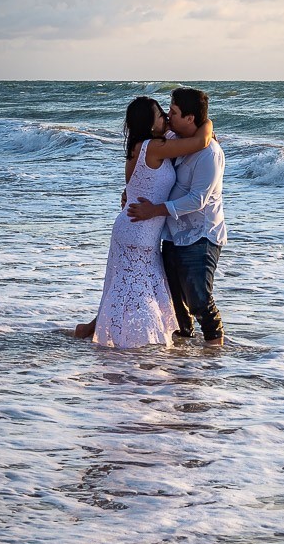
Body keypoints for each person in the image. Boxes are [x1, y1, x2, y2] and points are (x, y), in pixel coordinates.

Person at [74, 96, 213, 348]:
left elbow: (135, 186)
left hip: (134, 228)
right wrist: (208, 121)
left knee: (124, 287)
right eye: (161, 115)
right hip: (138, 232)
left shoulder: (142, 146)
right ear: (149, 124)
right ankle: (137, 349)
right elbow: (200, 141)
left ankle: (96, 332)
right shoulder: (153, 147)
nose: (166, 118)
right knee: (137, 292)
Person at [127, 87, 227, 347]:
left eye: (173, 112)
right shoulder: (173, 137)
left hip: (199, 235)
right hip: (172, 233)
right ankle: (182, 363)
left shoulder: (210, 154)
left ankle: (214, 358)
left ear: (190, 118)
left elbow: (197, 200)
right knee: (174, 303)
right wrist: (131, 190)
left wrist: (155, 209)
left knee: (199, 300)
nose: (168, 117)